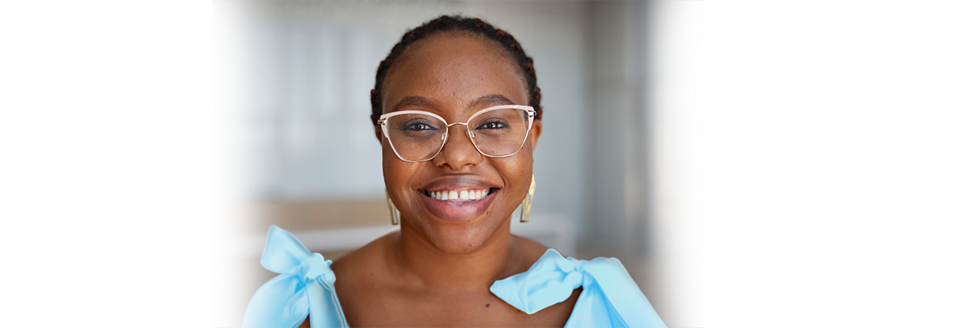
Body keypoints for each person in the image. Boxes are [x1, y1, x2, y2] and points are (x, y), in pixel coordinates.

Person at [244, 15, 665, 328]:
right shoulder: (303, 308)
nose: (458, 156)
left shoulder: (602, 303)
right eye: (420, 125)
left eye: (494, 123)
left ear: (532, 138)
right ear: (383, 138)